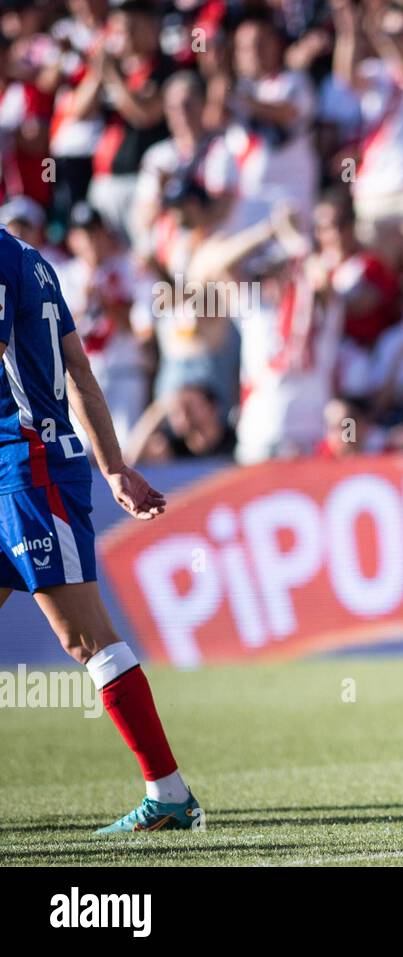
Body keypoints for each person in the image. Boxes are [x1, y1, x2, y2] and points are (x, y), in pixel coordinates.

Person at [0, 224, 200, 833]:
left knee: (86, 638)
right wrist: (112, 466)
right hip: (19, 469)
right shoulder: (30, 260)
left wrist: (111, 466)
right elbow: (79, 371)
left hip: (26, 469)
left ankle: (170, 794)